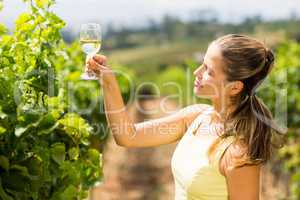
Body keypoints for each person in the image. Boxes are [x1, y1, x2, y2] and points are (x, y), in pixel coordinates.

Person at [86, 34, 282, 200]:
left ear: (235, 87)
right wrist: (108, 81)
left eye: (208, 70)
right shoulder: (196, 117)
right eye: (202, 64)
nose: (197, 72)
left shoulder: (237, 153)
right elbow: (128, 136)